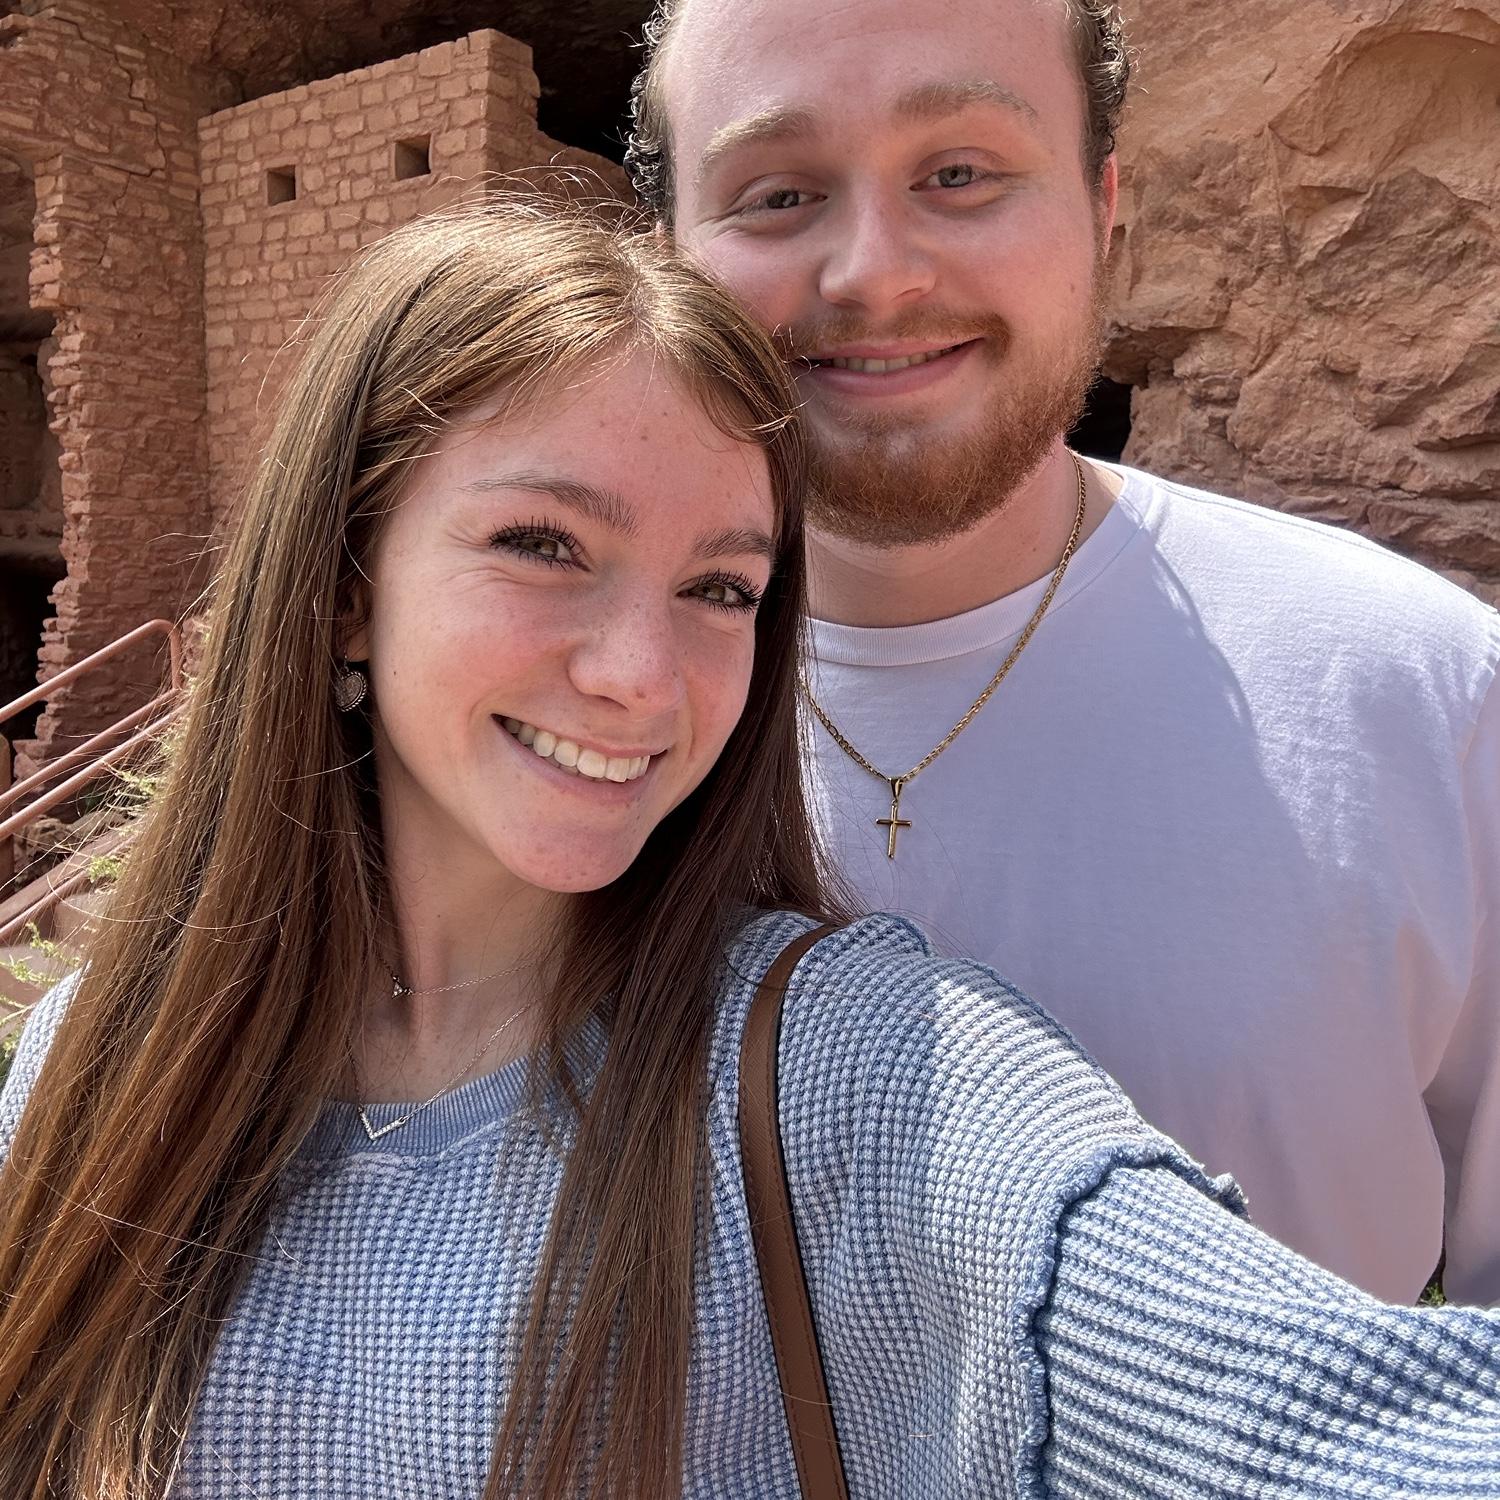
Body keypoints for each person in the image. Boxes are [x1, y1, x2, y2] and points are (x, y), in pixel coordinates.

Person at [2, 204, 1500, 1500]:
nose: (642, 676)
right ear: (343, 583)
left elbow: (1286, 1402)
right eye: (545, 546)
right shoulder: (89, 1069)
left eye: (722, 589)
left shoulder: (847, 1072)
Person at [625, 0, 1500, 1304]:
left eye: (960, 175)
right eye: (779, 193)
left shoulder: (1431, 700)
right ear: (665, 259)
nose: (873, 272)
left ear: (1108, 216)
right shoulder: (563, 726)